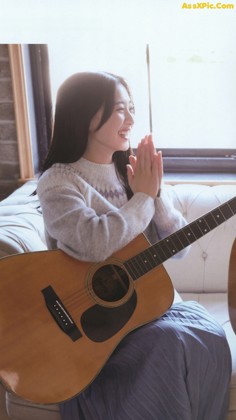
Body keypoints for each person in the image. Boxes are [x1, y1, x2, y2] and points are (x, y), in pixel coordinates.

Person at [37, 71, 231, 420]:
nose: (131, 119)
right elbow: (93, 244)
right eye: (120, 109)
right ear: (87, 115)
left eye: (132, 108)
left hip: (143, 313)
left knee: (211, 336)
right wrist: (142, 196)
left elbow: (180, 247)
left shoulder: (132, 171)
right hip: (93, 328)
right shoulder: (58, 181)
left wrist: (154, 194)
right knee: (170, 344)